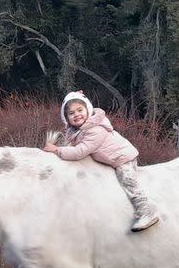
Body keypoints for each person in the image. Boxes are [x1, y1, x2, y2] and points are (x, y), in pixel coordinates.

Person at [43, 90, 160, 232]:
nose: (77, 115)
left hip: (122, 157)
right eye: (71, 113)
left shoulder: (95, 130)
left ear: (88, 110)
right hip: (108, 158)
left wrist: (57, 150)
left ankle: (146, 210)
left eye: (80, 110)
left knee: (127, 180)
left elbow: (80, 151)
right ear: (66, 118)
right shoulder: (76, 130)